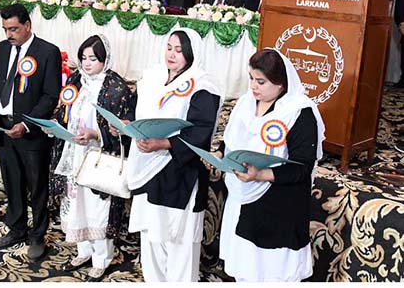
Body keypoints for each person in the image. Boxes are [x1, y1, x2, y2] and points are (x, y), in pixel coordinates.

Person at [219, 48, 325, 282]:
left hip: (277, 208)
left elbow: (302, 168)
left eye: (261, 82)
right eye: (251, 79)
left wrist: (262, 174)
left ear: (281, 84)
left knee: (271, 275)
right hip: (242, 201)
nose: (253, 87)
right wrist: (219, 156)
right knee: (244, 271)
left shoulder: (299, 112)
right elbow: (231, 143)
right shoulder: (246, 104)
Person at [127, 29, 222, 281]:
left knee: (179, 245)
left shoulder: (202, 85)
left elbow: (201, 132)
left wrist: (163, 143)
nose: (171, 54)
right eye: (169, 47)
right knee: (151, 238)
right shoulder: (154, 77)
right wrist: (126, 126)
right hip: (147, 166)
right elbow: (137, 110)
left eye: (179, 50)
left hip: (180, 172)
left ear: (192, 54)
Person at [53, 35, 136, 281]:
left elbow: (121, 129)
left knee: (97, 208)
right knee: (75, 202)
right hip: (74, 151)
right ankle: (84, 250)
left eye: (93, 59)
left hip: (100, 155)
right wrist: (56, 124)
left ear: (105, 59)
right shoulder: (76, 79)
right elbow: (64, 109)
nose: (86, 63)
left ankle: (102, 258)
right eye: (83, 58)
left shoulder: (116, 87)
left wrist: (95, 134)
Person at [0, 4, 61, 260]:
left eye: (14, 29)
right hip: (4, 127)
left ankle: (38, 235)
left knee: (37, 186)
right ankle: (16, 228)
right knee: (12, 182)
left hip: (31, 132)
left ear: (27, 25)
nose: (9, 35)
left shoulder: (48, 52)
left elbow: (50, 96)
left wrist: (27, 124)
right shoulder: (4, 49)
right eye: (5, 29)